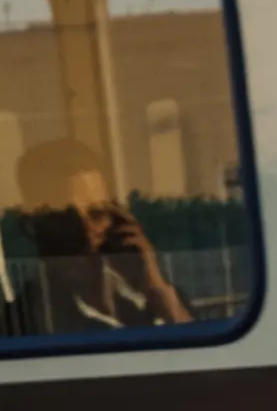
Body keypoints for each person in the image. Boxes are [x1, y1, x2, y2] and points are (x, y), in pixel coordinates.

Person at [19, 138, 189, 333]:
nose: (87, 231)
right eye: (66, 218)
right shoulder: (28, 317)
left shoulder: (154, 294)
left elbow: (201, 351)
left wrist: (157, 287)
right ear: (36, 226)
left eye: (97, 214)